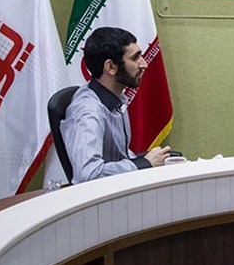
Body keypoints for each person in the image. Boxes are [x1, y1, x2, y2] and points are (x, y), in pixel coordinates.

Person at [61, 27, 172, 183]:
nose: (144, 64)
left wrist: (150, 160)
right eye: (135, 58)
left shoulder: (115, 98)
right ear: (111, 67)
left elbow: (120, 156)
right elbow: (88, 175)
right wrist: (143, 164)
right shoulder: (87, 112)